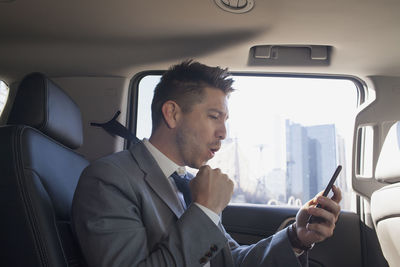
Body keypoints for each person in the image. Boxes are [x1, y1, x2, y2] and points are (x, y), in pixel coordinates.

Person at [72, 60, 342, 267]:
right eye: (214, 116)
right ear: (172, 113)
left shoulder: (189, 185)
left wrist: (296, 236)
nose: (224, 132)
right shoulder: (108, 179)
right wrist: (206, 210)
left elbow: (230, 259)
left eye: (225, 120)